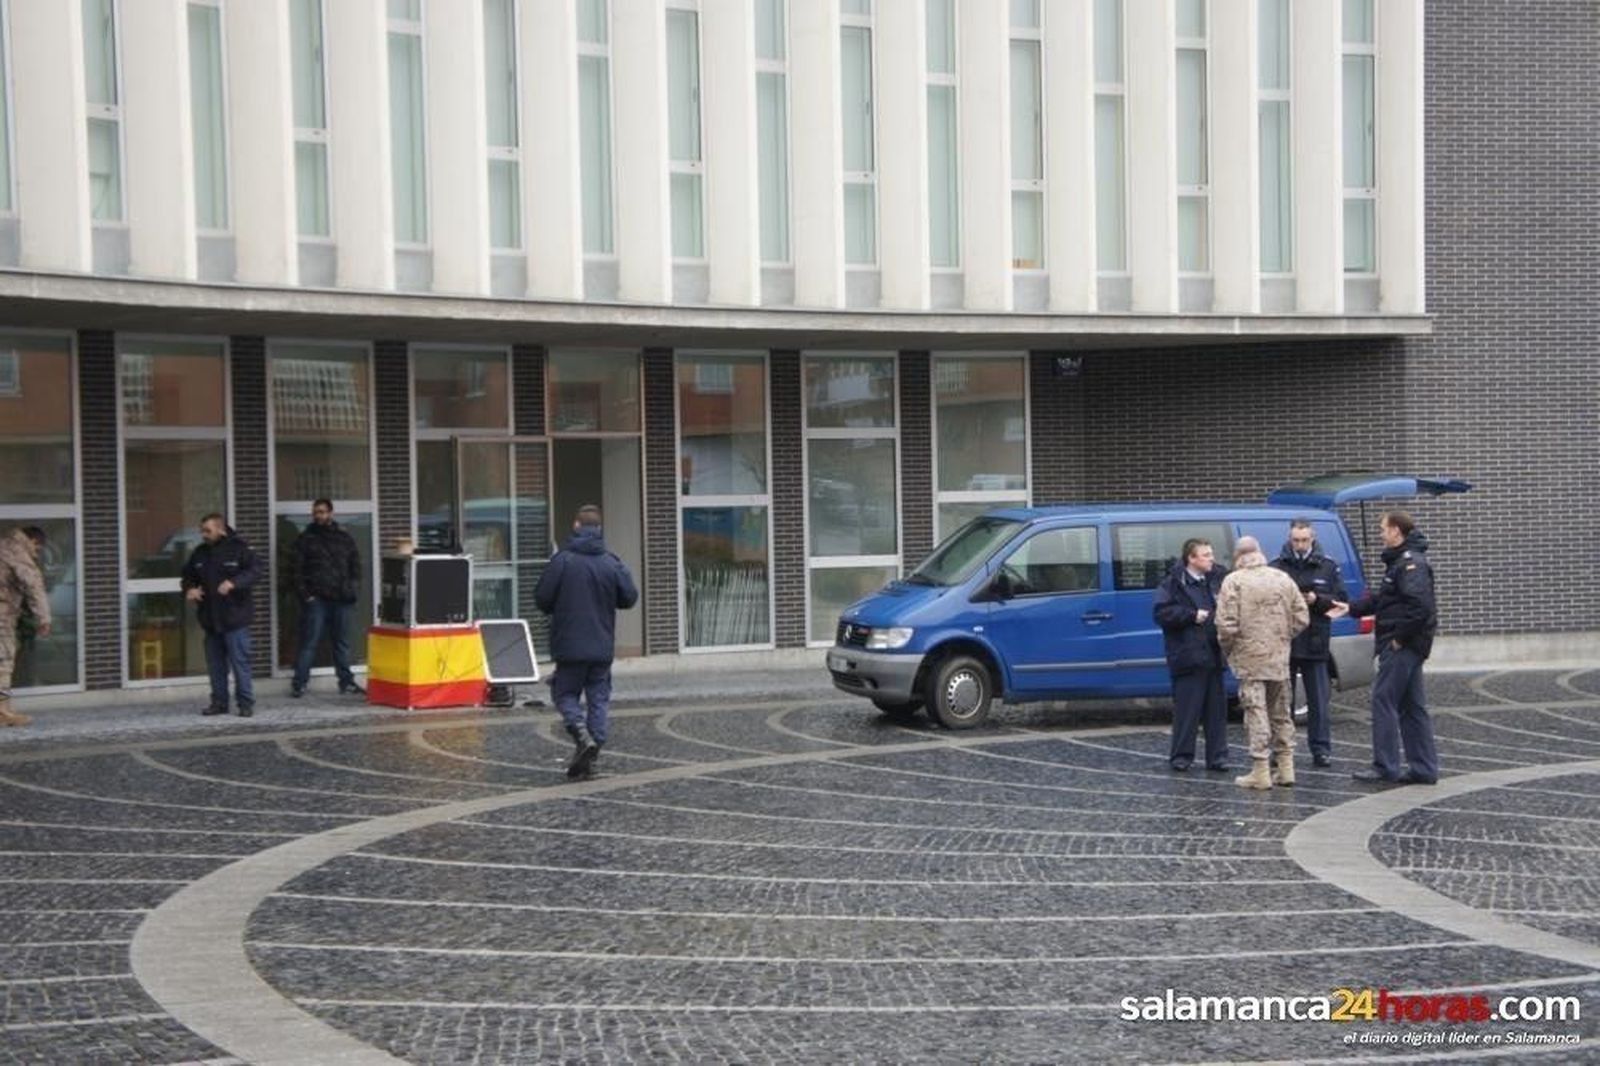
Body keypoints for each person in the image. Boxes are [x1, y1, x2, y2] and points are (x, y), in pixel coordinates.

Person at [534, 504, 638, 779]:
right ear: (600, 529)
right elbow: (629, 598)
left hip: (568, 645)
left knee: (564, 693)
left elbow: (542, 599)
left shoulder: (562, 561)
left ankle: (580, 734)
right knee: (599, 698)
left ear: (576, 526)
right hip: (601, 646)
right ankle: (592, 751)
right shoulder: (611, 562)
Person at [1347, 510, 1439, 785]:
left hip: (1403, 645)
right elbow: (1387, 599)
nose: (1380, 533)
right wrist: (1350, 608)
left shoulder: (1410, 564)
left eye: (1383, 528)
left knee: (1383, 700)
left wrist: (1399, 638)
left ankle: (1385, 766)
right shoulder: (1401, 562)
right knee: (1412, 706)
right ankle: (1423, 768)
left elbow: (1420, 608)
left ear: (1397, 531)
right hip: (1408, 644)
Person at [1216, 536, 1310, 789]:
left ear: (1238, 558)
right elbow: (1302, 617)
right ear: (1260, 553)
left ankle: (1261, 770)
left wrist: (1230, 648)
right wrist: (1281, 637)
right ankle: (1287, 767)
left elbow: (1226, 625)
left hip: (1250, 660)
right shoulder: (1282, 578)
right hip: (1279, 657)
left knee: (1255, 711)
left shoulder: (1233, 581)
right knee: (1280, 711)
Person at [1271, 519, 1348, 768]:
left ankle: (1321, 749)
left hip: (1316, 639)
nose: (1301, 544)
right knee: (1283, 702)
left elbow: (1340, 601)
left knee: (1318, 701)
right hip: (1287, 640)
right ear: (1289, 538)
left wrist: (1317, 599)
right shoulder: (1277, 567)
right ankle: (1282, 749)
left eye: (1305, 540)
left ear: (1312, 538)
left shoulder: (1328, 567)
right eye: (1296, 540)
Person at [1154, 537, 1231, 772]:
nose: (1211, 558)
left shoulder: (1217, 579)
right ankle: (1181, 757)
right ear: (1192, 558)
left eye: (1211, 554)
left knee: (1216, 712)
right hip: (1188, 656)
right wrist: (1190, 615)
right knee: (1187, 711)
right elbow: (1162, 613)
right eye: (1206, 555)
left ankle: (1217, 757)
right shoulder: (1173, 584)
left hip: (1214, 656)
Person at [182, 513, 264, 717]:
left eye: (208, 531)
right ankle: (219, 703)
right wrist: (189, 589)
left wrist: (234, 583)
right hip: (210, 620)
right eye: (202, 530)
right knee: (216, 666)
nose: (204, 534)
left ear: (220, 529)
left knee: (240, 664)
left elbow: (255, 572)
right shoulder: (200, 553)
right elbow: (187, 577)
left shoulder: (239, 549)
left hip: (235, 619)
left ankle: (245, 704)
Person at [290, 499, 365, 698]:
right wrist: (307, 596)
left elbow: (356, 565)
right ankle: (299, 683)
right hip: (318, 600)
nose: (318, 515)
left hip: (342, 598)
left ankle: (346, 682)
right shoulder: (305, 539)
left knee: (342, 643)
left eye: (322, 512)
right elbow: (295, 571)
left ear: (330, 513)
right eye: (316, 512)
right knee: (309, 642)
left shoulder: (344, 538)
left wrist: (353, 587)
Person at [0, 526, 52, 728]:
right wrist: (44, 617)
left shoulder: (3, 546)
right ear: (33, 541)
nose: (35, 554)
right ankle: (2, 712)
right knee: (2, 666)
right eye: (37, 549)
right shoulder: (17, 550)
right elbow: (33, 584)